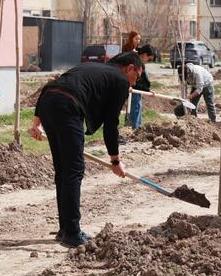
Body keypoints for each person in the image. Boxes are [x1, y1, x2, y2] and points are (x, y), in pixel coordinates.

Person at [29, 52, 143, 248]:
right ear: (129, 68)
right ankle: (72, 233)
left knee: (63, 170)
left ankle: (65, 229)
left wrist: (36, 122)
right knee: (73, 170)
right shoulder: (120, 80)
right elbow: (110, 124)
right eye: (136, 77)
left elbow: (53, 85)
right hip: (67, 106)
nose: (133, 84)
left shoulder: (91, 68)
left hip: (48, 102)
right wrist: (115, 160)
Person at [127, 44, 156, 130]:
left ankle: (137, 127)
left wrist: (148, 90)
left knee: (137, 105)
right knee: (135, 106)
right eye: (149, 58)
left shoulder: (139, 62)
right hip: (132, 88)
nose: (148, 61)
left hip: (136, 89)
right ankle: (135, 128)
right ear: (144, 54)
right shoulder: (136, 61)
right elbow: (137, 80)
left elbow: (142, 81)